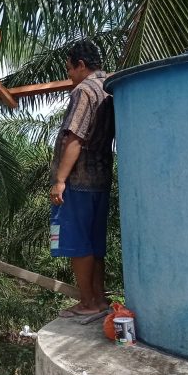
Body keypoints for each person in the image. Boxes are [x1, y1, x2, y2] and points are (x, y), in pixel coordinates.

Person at [50, 39, 114, 317]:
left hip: (79, 179)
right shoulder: (112, 86)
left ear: (81, 65)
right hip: (102, 177)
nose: (69, 75)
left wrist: (60, 179)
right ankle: (99, 299)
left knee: (78, 244)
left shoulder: (84, 91)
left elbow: (74, 138)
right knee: (95, 244)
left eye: (70, 69)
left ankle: (87, 302)